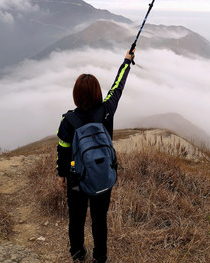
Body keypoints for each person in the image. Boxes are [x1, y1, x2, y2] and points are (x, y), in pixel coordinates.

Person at [56, 49, 135, 263]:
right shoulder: (107, 110)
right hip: (103, 174)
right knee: (100, 220)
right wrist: (127, 62)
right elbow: (118, 87)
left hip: (76, 179)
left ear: (76, 95)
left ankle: (78, 254)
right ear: (98, 92)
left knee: (77, 218)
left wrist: (62, 174)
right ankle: (100, 257)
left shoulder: (69, 121)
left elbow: (63, 149)